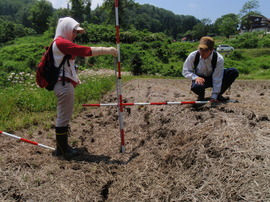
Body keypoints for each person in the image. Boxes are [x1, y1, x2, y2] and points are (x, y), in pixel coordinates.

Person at [52, 17, 117, 158]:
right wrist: (107, 50)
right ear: (66, 29)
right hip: (63, 85)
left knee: (65, 116)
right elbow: (85, 51)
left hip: (64, 84)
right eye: (74, 31)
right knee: (63, 116)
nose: (75, 34)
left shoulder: (61, 43)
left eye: (76, 32)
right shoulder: (61, 43)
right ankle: (62, 151)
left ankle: (62, 148)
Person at [182, 36, 239, 102]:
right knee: (196, 87)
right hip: (200, 79)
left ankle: (218, 95)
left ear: (211, 50)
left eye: (205, 50)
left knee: (233, 72)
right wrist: (196, 77)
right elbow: (186, 71)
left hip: (213, 76)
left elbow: (217, 77)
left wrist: (214, 96)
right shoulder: (193, 56)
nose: (202, 53)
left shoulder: (218, 58)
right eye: (200, 49)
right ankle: (201, 96)